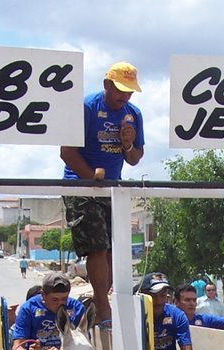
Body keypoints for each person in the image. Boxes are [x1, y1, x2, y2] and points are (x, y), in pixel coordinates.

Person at [60, 62, 145, 324]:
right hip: (81, 185)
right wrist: (90, 177)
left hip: (112, 189)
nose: (124, 97)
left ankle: (105, 302)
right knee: (97, 247)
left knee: (113, 250)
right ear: (107, 84)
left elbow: (134, 159)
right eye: (120, 90)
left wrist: (127, 144)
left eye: (129, 91)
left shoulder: (133, 114)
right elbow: (67, 152)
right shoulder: (87, 108)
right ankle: (103, 307)